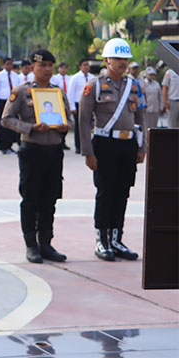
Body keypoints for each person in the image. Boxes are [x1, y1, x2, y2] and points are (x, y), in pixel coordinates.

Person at [1, 49, 72, 264]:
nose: (47, 69)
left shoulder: (57, 93)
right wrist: (30, 127)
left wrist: (65, 126)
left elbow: (70, 119)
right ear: (32, 68)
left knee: (50, 198)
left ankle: (46, 243)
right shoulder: (22, 92)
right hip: (32, 151)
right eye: (42, 66)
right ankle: (31, 245)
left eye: (50, 65)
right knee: (31, 198)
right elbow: (7, 119)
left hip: (54, 152)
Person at [79, 38, 144, 262]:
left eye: (125, 58)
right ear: (107, 60)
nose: (122, 63)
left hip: (128, 144)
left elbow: (140, 116)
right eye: (117, 58)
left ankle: (117, 238)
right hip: (105, 144)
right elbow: (84, 119)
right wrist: (88, 151)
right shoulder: (94, 85)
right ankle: (102, 239)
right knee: (105, 192)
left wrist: (142, 146)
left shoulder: (134, 85)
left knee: (123, 191)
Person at [0, 57, 22, 154]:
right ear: (4, 65)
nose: (9, 66)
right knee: (3, 123)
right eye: (7, 64)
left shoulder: (15, 76)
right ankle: (3, 147)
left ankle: (10, 145)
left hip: (13, 101)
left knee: (12, 123)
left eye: (11, 64)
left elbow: (18, 89)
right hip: (2, 101)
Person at [68, 59, 94, 153]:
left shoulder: (92, 77)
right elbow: (71, 93)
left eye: (88, 65)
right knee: (79, 126)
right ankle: (78, 146)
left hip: (89, 104)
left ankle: (88, 145)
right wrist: (72, 107)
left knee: (88, 125)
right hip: (78, 103)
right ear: (80, 66)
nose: (86, 66)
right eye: (84, 65)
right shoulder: (75, 78)